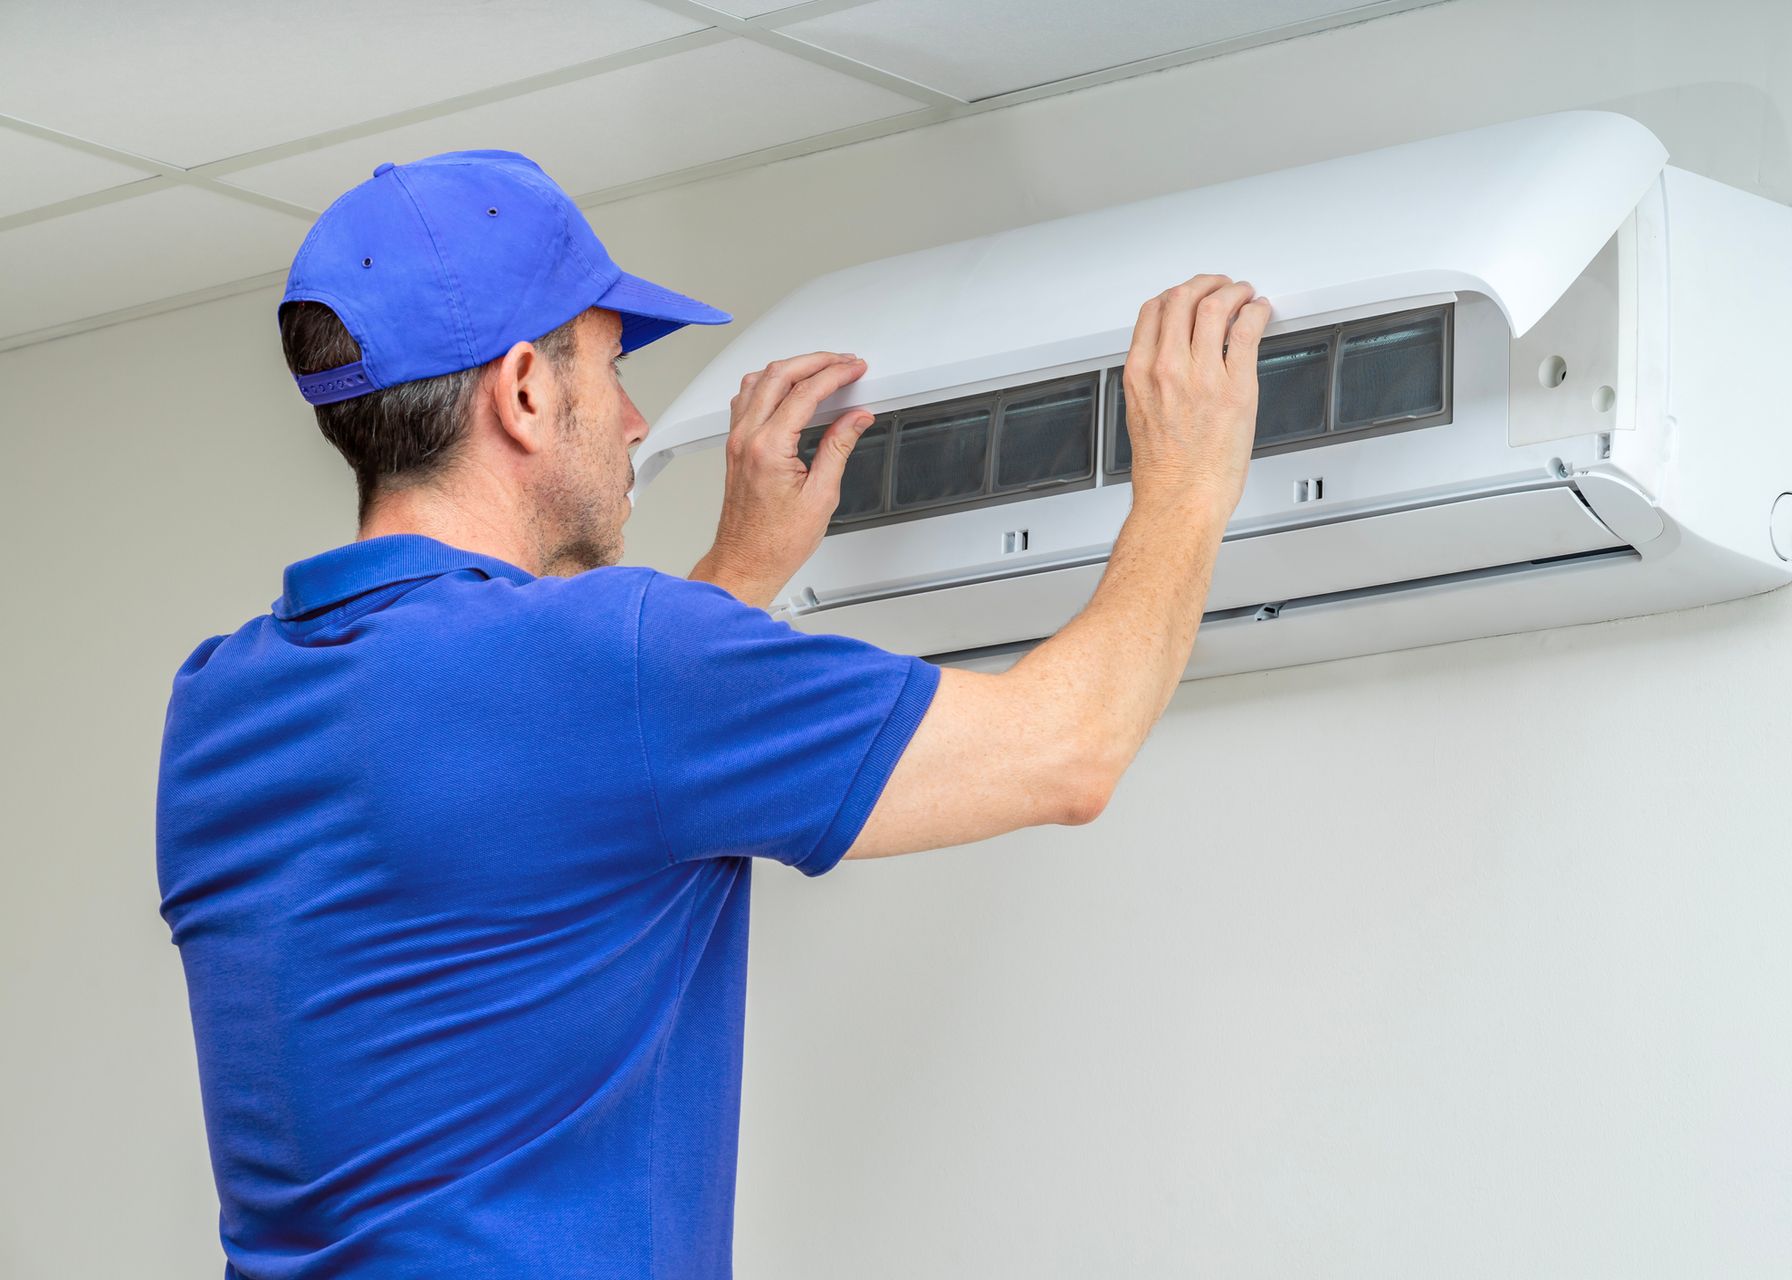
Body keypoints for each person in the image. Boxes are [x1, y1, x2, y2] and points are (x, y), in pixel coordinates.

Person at [155, 149, 1271, 1279]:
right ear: (525, 391)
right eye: (608, 363)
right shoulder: (617, 659)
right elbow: (1064, 750)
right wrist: (1189, 477)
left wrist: (732, 575)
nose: (636, 419)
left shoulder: (218, 703)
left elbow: (517, 792)